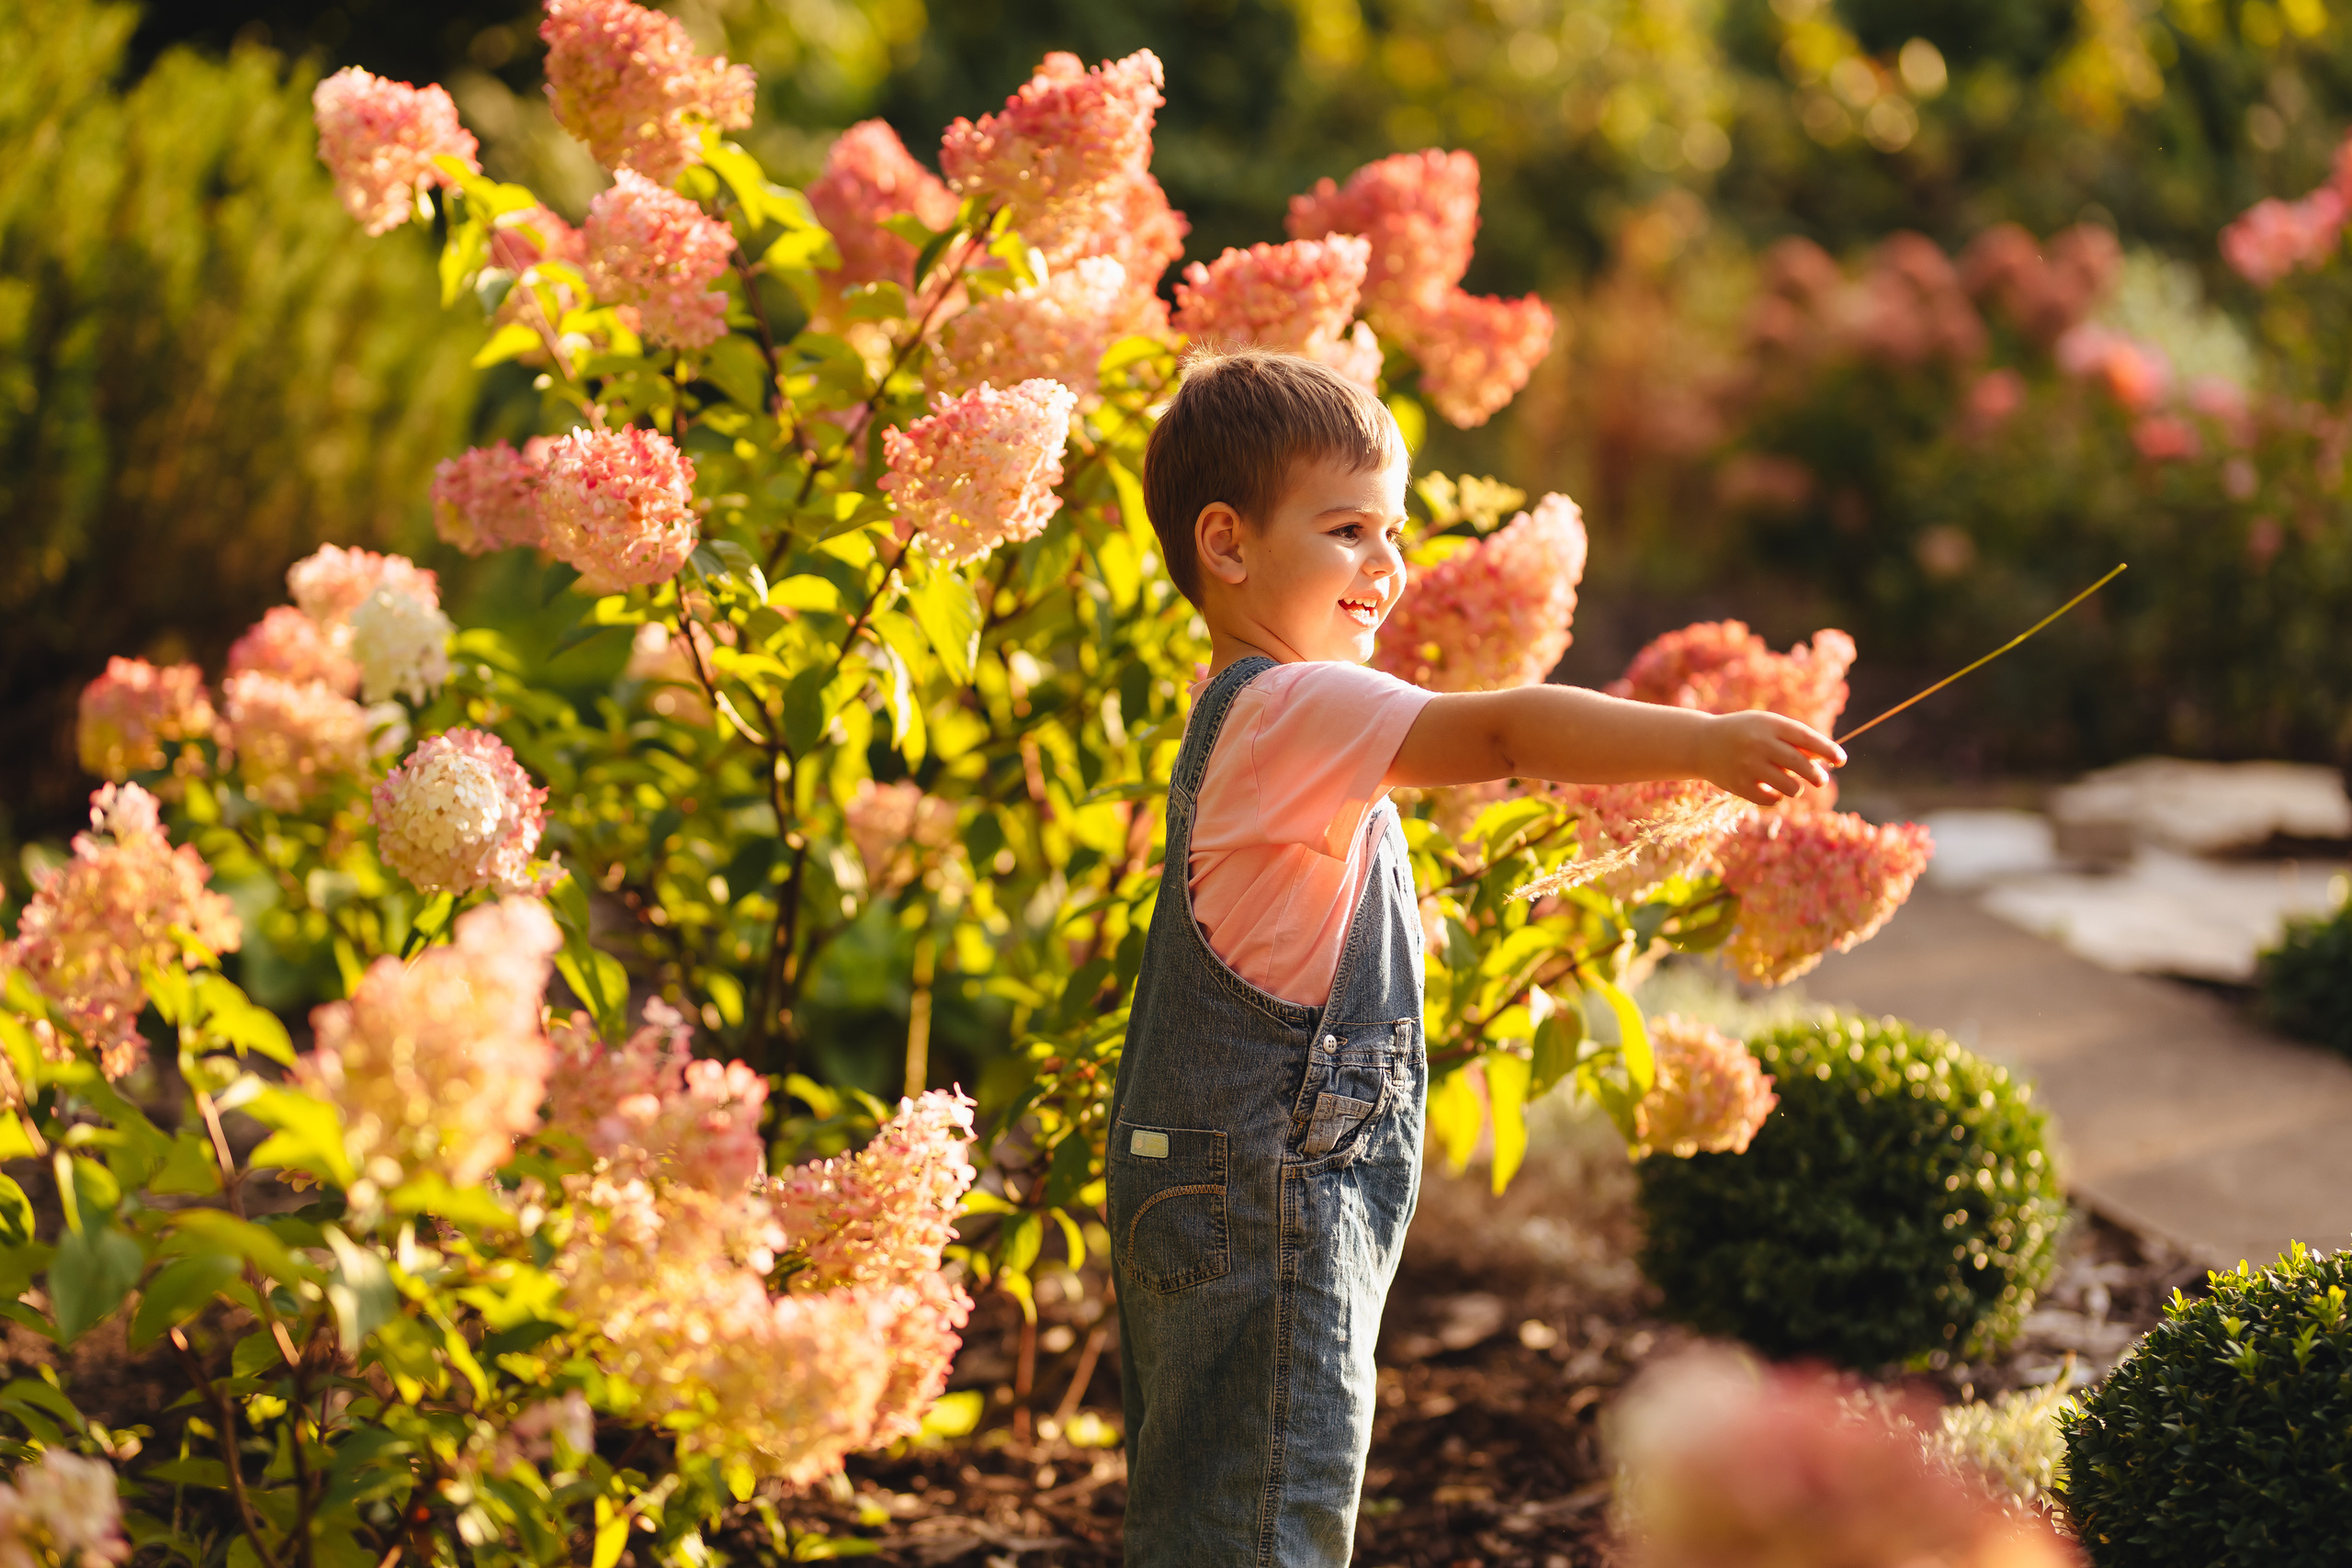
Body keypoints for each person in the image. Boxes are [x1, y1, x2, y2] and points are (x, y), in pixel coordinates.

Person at [1107, 346, 1845, 1566]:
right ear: (1229, 545)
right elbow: (1503, 724)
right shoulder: (1294, 705)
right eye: (1348, 529)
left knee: (1219, 1501)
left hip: (1229, 1187)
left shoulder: (1269, 717)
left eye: (1392, 530)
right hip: (1267, 1198)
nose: (1388, 568)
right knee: (1262, 1514)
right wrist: (1703, 745)